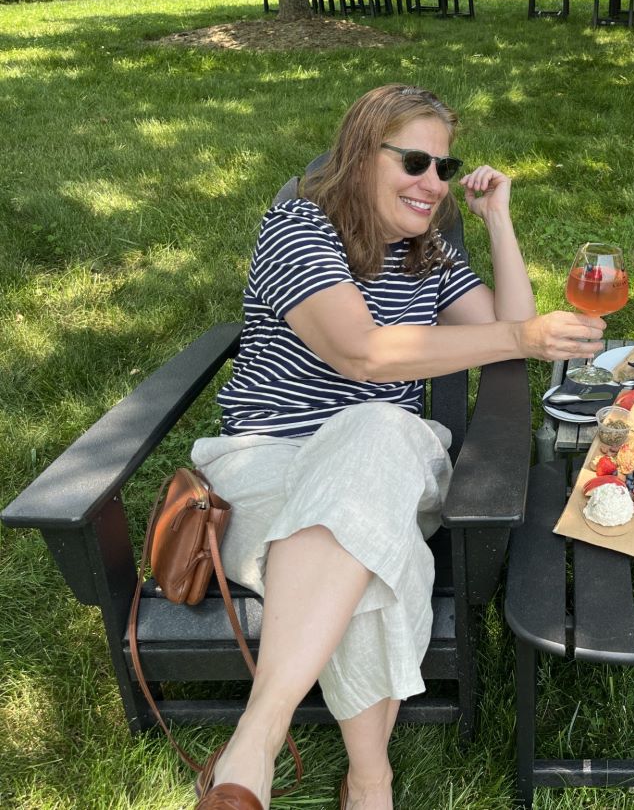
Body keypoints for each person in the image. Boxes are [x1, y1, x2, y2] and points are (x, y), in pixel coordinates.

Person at [191, 84, 604, 810]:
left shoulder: (429, 250)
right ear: (359, 154)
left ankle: (254, 739)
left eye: (445, 168)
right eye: (415, 160)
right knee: (377, 554)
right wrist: (519, 336)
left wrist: (498, 219)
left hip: (386, 455)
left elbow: (512, 331)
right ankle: (370, 779)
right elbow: (361, 354)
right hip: (267, 459)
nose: (432, 183)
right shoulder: (299, 228)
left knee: (377, 428)